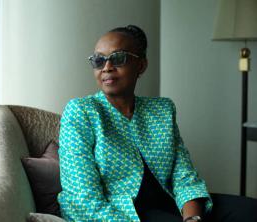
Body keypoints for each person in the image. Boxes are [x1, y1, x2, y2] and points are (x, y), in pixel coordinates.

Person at [57, 25, 257, 222]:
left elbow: (184, 177)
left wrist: (193, 218)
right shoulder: (81, 111)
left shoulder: (162, 110)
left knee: (250, 210)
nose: (107, 67)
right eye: (98, 60)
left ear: (141, 65)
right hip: (122, 212)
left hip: (169, 201)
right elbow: (83, 199)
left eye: (118, 58)